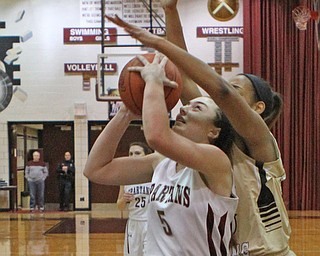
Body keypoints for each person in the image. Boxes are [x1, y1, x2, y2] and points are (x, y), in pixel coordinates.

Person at [105, 2, 295, 255]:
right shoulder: (215, 135)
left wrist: (158, 43)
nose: (221, 92)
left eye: (238, 90)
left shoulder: (258, 140)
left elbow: (222, 92)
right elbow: (184, 78)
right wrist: (170, 12)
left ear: (258, 107)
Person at [84, 52, 238, 255]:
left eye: (197, 108)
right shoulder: (161, 162)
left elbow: (157, 136)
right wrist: (126, 112)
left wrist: (154, 82)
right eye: (187, 105)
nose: (184, 110)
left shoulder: (216, 161)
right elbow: (96, 169)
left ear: (214, 131)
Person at [116, 141, 152, 256]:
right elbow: (119, 206)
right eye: (130, 153)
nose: (133, 156)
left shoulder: (154, 174)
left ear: (146, 155)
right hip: (133, 223)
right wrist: (124, 200)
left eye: (137, 153)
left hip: (151, 223)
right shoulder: (126, 177)